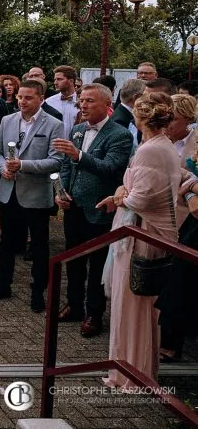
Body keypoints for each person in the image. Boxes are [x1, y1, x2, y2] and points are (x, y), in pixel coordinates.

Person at [97, 92, 180, 390]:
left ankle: (130, 374)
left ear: (139, 117)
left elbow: (141, 197)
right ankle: (134, 369)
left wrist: (120, 196)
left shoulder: (150, 150)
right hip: (143, 231)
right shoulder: (161, 145)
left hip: (139, 236)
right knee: (140, 308)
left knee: (133, 307)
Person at [53, 83, 133, 337]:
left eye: (89, 101)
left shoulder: (120, 135)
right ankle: (74, 305)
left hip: (100, 208)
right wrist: (61, 192)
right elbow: (66, 166)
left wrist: (79, 156)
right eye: (82, 101)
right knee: (73, 260)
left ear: (107, 105)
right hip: (74, 207)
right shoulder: (77, 130)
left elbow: (111, 168)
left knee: (97, 264)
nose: (83, 105)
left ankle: (94, 314)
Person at [0, 79, 63, 312]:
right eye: (19, 97)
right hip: (9, 192)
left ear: (40, 99)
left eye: (28, 98)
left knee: (39, 245)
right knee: (7, 242)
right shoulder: (8, 120)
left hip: (36, 195)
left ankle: (38, 290)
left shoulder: (53, 124)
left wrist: (23, 165)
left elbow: (57, 160)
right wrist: (2, 168)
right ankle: (2, 284)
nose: (22, 101)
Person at [157, 93, 198, 362]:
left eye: (172, 117)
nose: (167, 122)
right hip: (161, 215)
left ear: (184, 117)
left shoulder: (195, 142)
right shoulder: (159, 140)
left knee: (181, 280)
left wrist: (191, 189)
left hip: (187, 220)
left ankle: (174, 341)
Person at [45, 65, 80, 139]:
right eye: (55, 79)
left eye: (59, 79)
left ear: (71, 81)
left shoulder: (82, 101)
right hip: (54, 145)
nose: (55, 83)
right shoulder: (49, 102)